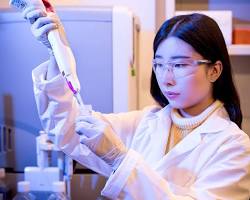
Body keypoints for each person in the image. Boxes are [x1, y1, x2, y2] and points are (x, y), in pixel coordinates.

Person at [24, 6, 250, 200]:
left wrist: (121, 159)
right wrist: (57, 52)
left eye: (179, 65)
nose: (166, 79)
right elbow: (68, 130)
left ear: (214, 70)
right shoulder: (145, 121)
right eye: (159, 65)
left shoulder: (233, 146)